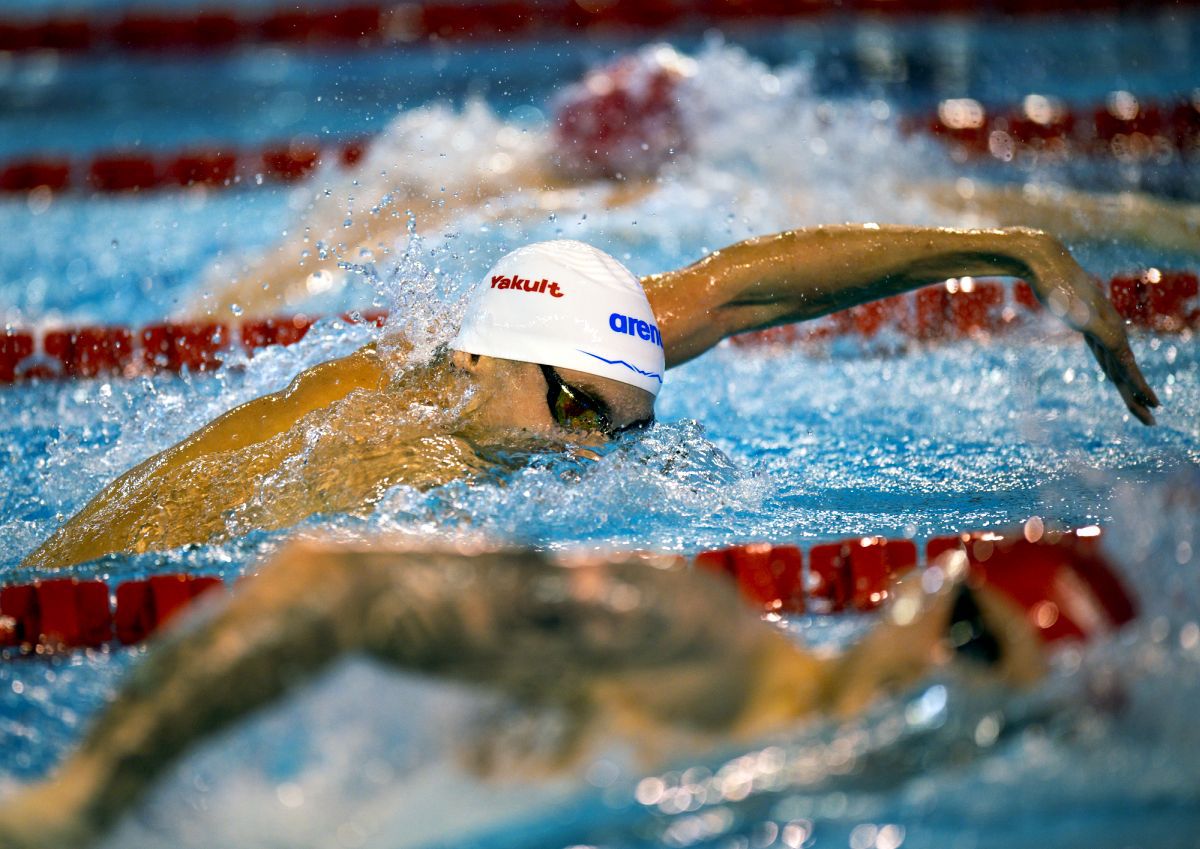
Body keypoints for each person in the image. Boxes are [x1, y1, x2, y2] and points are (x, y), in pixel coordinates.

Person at [22, 228, 1158, 571]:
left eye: (625, 432)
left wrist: (1010, 252)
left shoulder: (568, 358)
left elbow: (746, 289)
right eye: (578, 420)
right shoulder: (355, 442)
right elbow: (109, 549)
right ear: (482, 360)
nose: (595, 459)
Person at [0, 536, 1057, 849]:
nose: (940, 674)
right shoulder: (695, 638)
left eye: (985, 666)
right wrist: (82, 802)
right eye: (960, 628)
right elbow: (336, 583)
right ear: (920, 589)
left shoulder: (851, 797)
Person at [194, 45, 1200, 320]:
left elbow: (334, 248)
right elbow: (1003, 210)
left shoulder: (500, 185)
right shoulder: (738, 189)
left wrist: (229, 307)